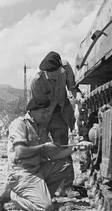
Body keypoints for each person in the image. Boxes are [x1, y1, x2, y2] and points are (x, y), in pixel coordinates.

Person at [0, 96, 93, 211]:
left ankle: (38, 195)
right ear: (32, 111)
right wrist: (44, 147)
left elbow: (53, 155)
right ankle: (12, 195)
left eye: (48, 112)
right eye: (44, 112)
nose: (46, 115)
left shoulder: (40, 127)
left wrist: (77, 147)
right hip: (22, 172)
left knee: (65, 164)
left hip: (37, 170)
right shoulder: (19, 124)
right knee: (46, 208)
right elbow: (20, 152)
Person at [28, 51, 84, 197]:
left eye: (58, 72)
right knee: (42, 150)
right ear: (46, 72)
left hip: (60, 112)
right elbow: (34, 107)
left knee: (62, 147)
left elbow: (72, 87)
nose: (56, 76)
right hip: (43, 117)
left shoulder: (65, 68)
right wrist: (38, 128)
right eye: (52, 74)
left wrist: (78, 96)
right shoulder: (36, 80)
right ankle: (41, 185)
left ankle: (66, 186)